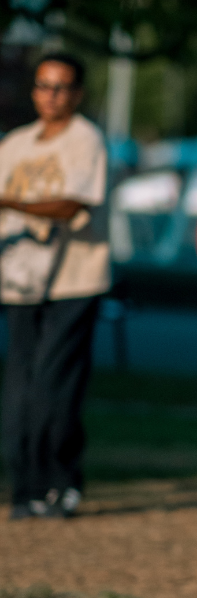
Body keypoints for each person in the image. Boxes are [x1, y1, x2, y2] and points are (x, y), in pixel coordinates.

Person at [0, 53, 108, 519]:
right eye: (43, 86)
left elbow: (72, 204)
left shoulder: (85, 140)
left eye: (61, 87)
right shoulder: (15, 144)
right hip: (20, 281)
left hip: (74, 281)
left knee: (53, 386)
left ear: (77, 94)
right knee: (19, 387)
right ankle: (25, 486)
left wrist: (12, 202)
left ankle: (60, 482)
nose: (51, 96)